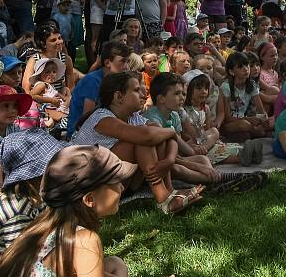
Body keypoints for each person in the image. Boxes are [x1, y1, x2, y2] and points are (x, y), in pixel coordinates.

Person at [0, 144, 135, 276]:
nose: (122, 187)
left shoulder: (41, 227)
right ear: (89, 199)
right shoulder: (85, 241)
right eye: (116, 181)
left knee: (115, 263)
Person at [71, 72, 203, 215]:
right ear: (119, 97)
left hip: (120, 181)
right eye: (136, 90)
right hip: (92, 186)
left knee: (155, 135)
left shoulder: (133, 117)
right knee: (143, 138)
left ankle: (169, 191)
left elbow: (161, 134)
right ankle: (163, 199)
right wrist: (170, 132)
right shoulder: (102, 118)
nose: (143, 94)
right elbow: (147, 136)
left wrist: (170, 159)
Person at [0, 129, 65, 277]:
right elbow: (26, 261)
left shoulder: (38, 199)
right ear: (37, 175)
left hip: (20, 266)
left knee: (112, 263)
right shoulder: (15, 211)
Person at [65, 41, 130, 138]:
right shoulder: (93, 81)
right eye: (123, 61)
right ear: (108, 63)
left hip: (100, 126)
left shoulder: (115, 81)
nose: (127, 67)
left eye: (128, 62)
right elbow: (88, 118)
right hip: (79, 133)